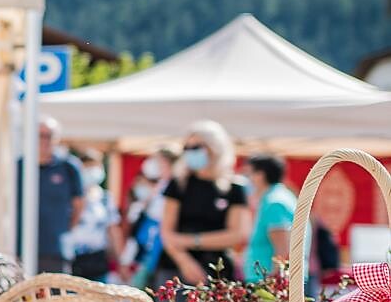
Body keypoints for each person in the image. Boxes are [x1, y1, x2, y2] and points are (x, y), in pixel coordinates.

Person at [156, 120, 252, 289]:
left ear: (215, 148)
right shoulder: (178, 184)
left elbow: (237, 234)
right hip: (175, 269)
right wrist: (185, 262)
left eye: (195, 147)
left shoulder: (235, 187)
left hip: (217, 269)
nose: (189, 153)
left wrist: (190, 240)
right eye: (186, 148)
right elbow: (167, 233)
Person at [120, 149, 179, 289]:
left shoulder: (175, 188)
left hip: (164, 258)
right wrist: (126, 260)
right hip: (148, 256)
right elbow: (140, 227)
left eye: (158, 160)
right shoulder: (159, 189)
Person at [32, 119, 85, 274]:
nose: (44, 140)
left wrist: (66, 229)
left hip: (55, 250)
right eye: (40, 135)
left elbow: (79, 204)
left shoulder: (68, 167)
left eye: (48, 136)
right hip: (23, 248)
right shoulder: (20, 166)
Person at [64, 149, 116, 280]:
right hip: (73, 259)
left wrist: (119, 260)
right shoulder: (69, 196)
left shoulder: (105, 198)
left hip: (97, 260)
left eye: (96, 167)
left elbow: (112, 229)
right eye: (88, 167)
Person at [245, 153, 297, 281]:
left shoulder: (275, 202)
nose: (248, 179)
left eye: (249, 174)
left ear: (260, 175)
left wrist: (274, 286)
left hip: (269, 284)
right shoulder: (278, 197)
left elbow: (282, 251)